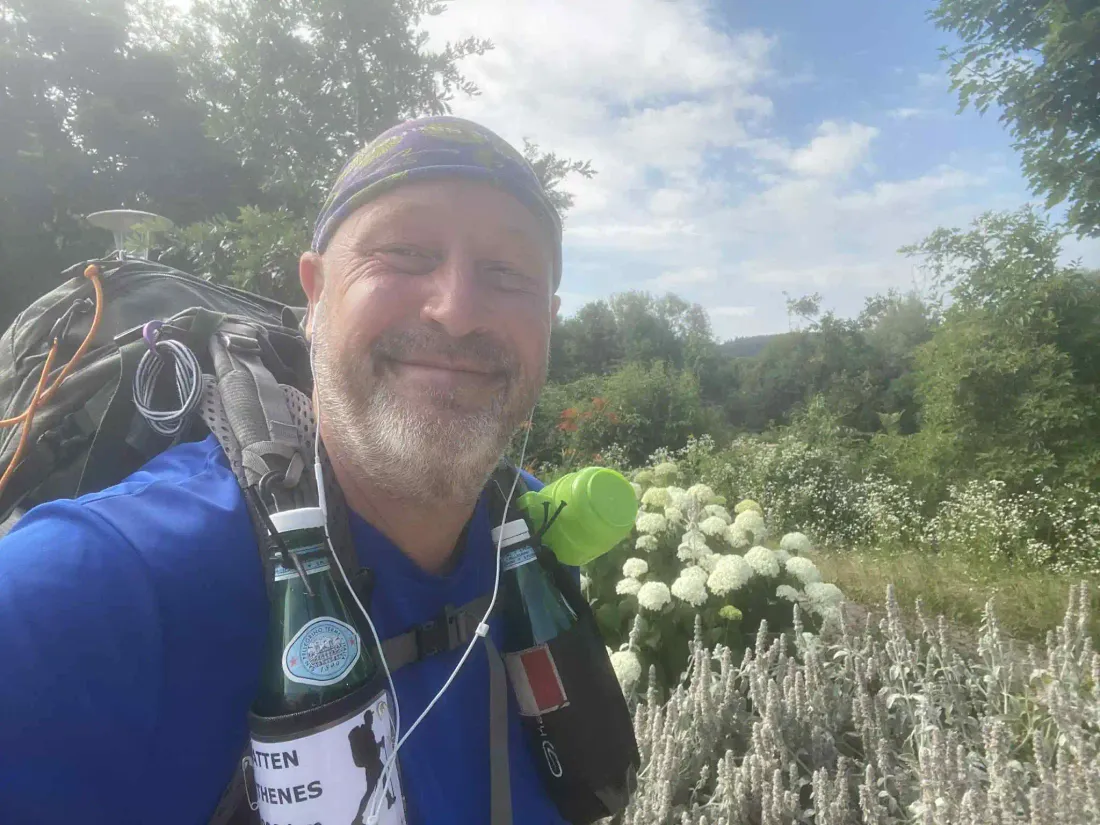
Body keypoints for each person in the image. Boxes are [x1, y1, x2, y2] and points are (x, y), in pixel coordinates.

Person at [0, 116, 570, 825]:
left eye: (507, 272)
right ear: (315, 292)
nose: (456, 312)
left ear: (548, 319)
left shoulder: (537, 545)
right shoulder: (84, 592)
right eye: (404, 252)